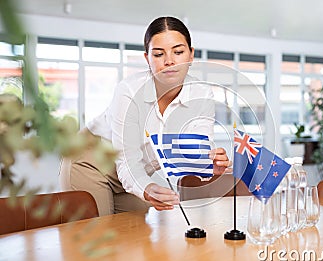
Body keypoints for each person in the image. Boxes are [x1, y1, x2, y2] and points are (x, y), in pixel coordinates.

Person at [59, 16, 230, 216]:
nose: (169, 61)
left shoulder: (201, 95)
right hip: (90, 164)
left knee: (141, 233)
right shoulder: (130, 91)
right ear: (147, 58)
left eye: (178, 52)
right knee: (102, 235)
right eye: (158, 54)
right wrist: (147, 189)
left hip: (131, 174)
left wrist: (209, 168)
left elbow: (194, 151)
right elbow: (126, 159)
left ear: (191, 55)